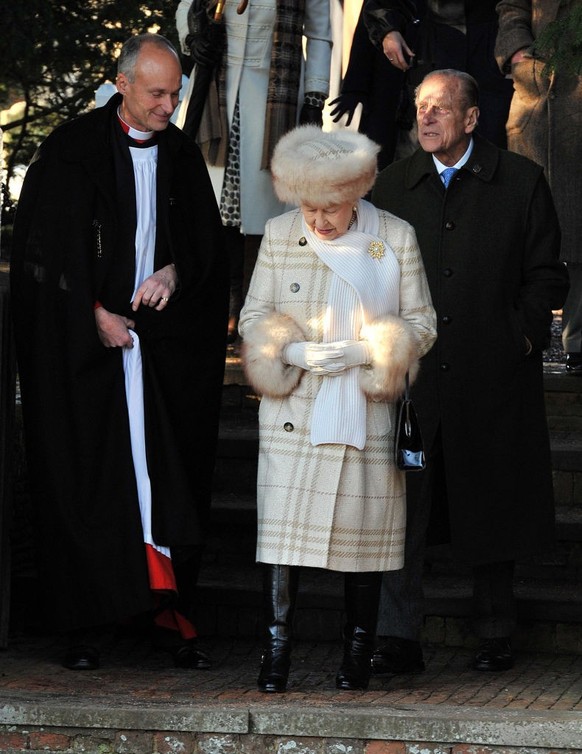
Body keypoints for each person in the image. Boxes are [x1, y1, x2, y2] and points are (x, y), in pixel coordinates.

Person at [10, 34, 229, 670]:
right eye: (158, 93)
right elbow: (40, 260)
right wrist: (93, 315)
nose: (170, 105)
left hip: (158, 354)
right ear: (122, 83)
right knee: (89, 479)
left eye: (176, 92)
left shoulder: (183, 157)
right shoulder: (71, 153)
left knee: (163, 478)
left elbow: (206, 252)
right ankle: (87, 621)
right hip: (90, 354)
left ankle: (161, 610)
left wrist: (173, 275)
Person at [371, 69, 569, 674]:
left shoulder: (520, 181)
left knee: (491, 499)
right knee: (403, 506)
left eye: (441, 108)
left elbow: (547, 275)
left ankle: (494, 630)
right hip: (415, 376)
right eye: (420, 107)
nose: (426, 118)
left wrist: (523, 334)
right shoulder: (392, 187)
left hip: (493, 370)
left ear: (472, 118)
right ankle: (396, 636)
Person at [238, 125, 437, 693]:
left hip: (364, 411)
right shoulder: (280, 235)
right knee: (282, 540)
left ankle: (356, 658)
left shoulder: (393, 237)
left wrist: (369, 351)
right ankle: (275, 656)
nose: (318, 220)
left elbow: (422, 322)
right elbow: (253, 317)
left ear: (356, 195)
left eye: (330, 208)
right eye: (307, 206)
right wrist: (293, 349)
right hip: (296, 408)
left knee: (364, 542)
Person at [175, 0, 333, 343]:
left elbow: (320, 34)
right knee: (221, 210)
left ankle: (257, 305)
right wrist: (193, 39)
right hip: (216, 94)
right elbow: (187, 6)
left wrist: (314, 97)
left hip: (276, 99)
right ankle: (227, 304)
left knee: (265, 213)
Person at [494, 0, 582, 374]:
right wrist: (517, 52)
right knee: (527, 228)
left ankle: (577, 343)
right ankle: (524, 334)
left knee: (579, 229)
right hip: (535, 94)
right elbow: (512, 6)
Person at [363, 0, 514, 150]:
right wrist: (387, 30)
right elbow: (381, 5)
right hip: (433, 48)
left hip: (494, 48)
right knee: (428, 139)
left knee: (493, 141)